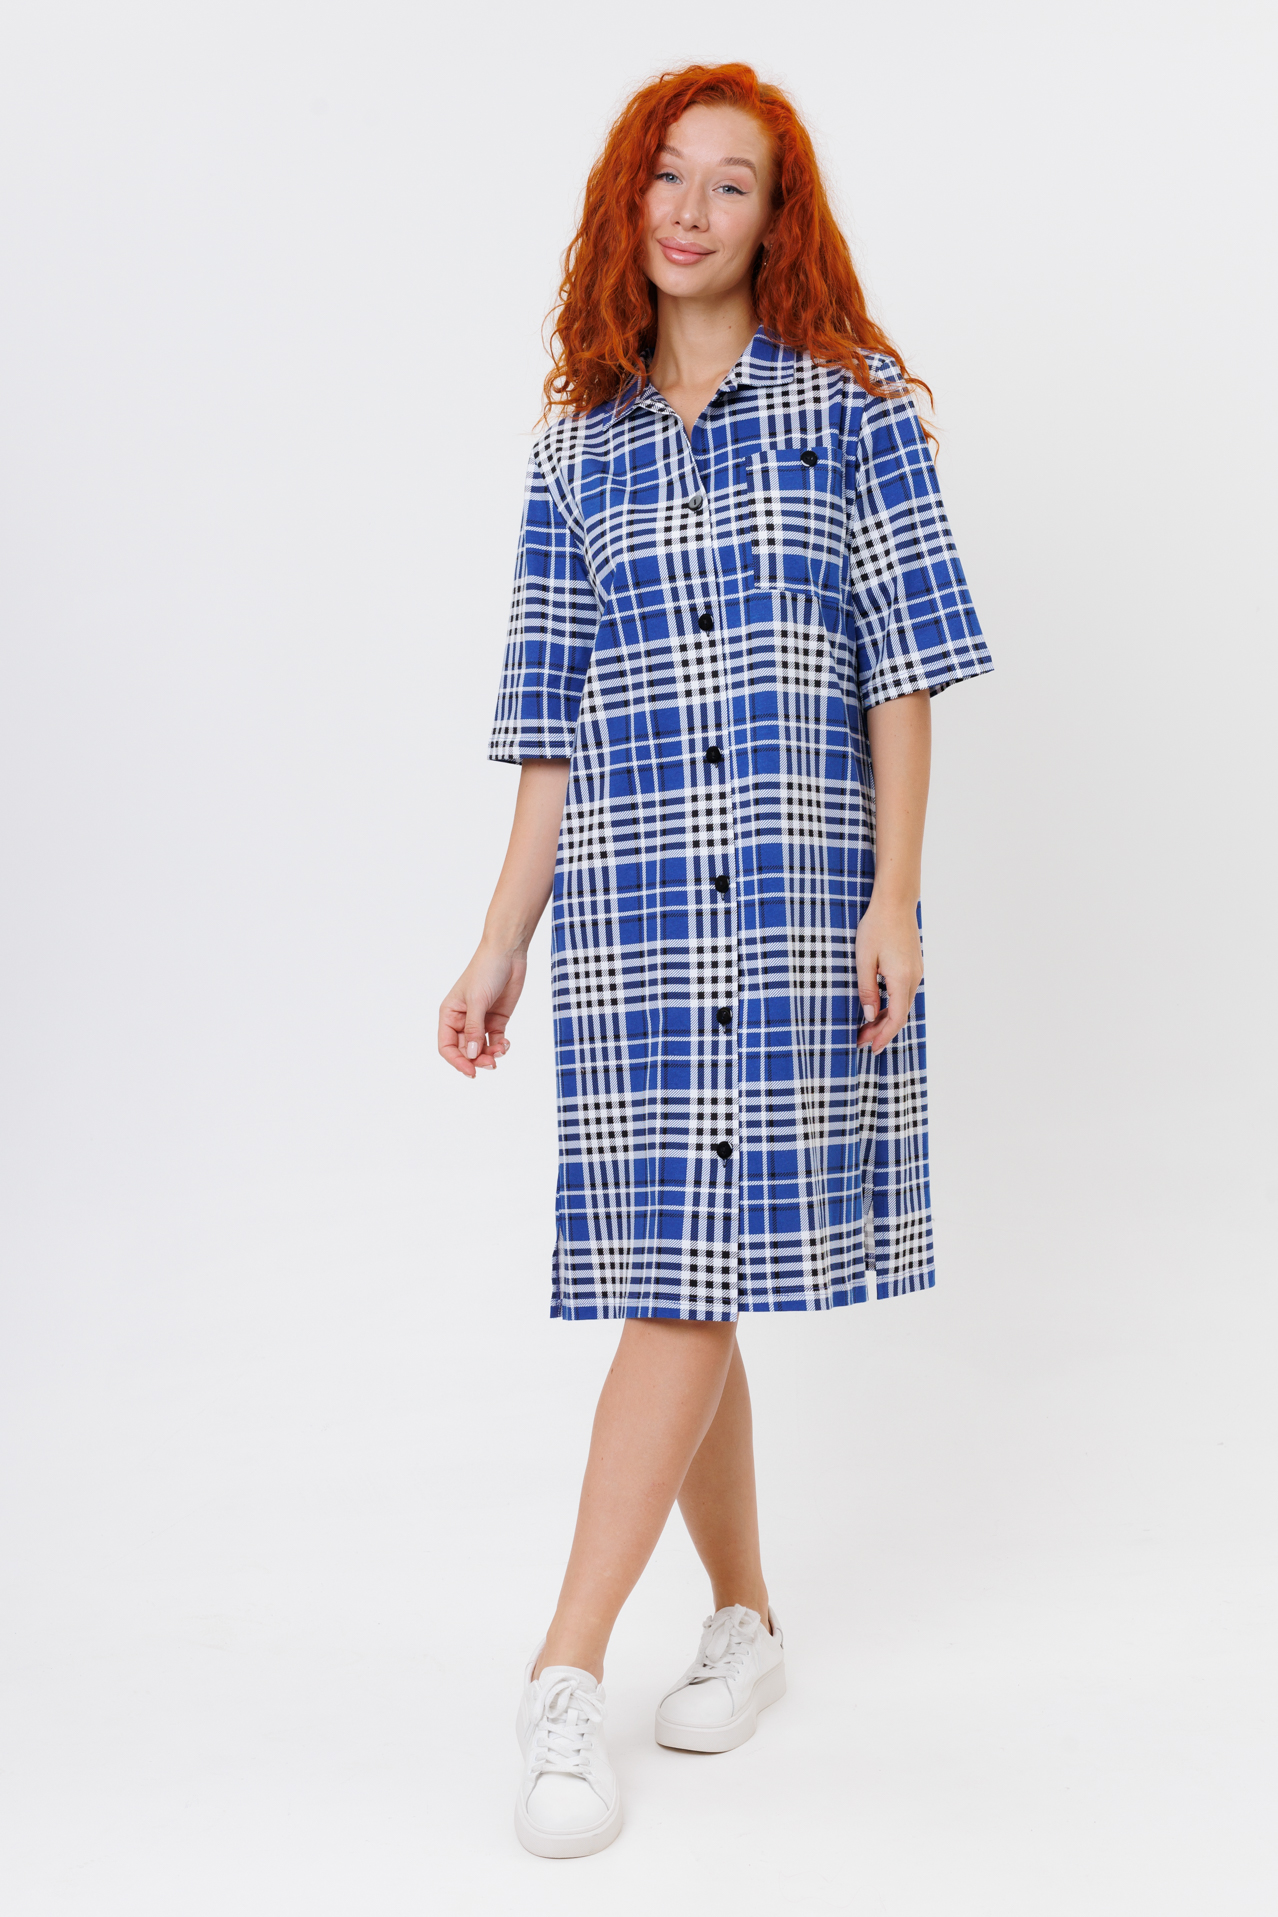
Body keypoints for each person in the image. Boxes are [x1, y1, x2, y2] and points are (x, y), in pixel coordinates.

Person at [438, 61, 992, 1859]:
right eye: (665, 176)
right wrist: (498, 942)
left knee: (682, 1276)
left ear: (776, 218)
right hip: (635, 924)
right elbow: (548, 723)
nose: (688, 209)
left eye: (728, 183)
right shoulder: (575, 451)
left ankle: (563, 1664)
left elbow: (903, 664)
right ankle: (743, 1616)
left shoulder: (852, 417)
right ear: (632, 198)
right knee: (691, 1263)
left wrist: (895, 897)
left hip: (798, 908)